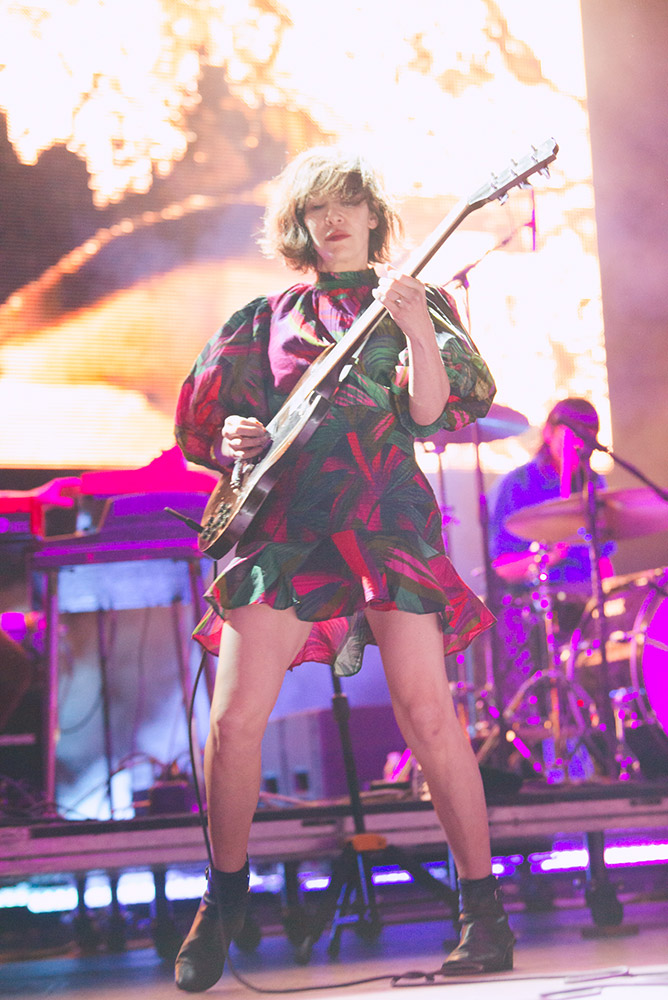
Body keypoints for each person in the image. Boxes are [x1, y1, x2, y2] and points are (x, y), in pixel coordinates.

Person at [173, 146, 513, 991]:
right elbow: (225, 431)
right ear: (299, 223)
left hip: (385, 516)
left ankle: (484, 916)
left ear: (370, 216)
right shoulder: (266, 317)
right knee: (232, 720)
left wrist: (415, 330)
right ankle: (224, 897)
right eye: (315, 208)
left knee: (428, 714)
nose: (331, 221)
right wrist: (236, 441)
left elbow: (432, 412)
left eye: (346, 206)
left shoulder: (415, 298)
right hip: (289, 523)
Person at [487, 397, 615, 712]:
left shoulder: (593, 483)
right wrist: (549, 557)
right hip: (536, 615)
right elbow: (502, 568)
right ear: (549, 433)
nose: (579, 446)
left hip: (587, 609)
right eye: (572, 435)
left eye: (587, 438)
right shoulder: (519, 485)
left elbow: (605, 558)